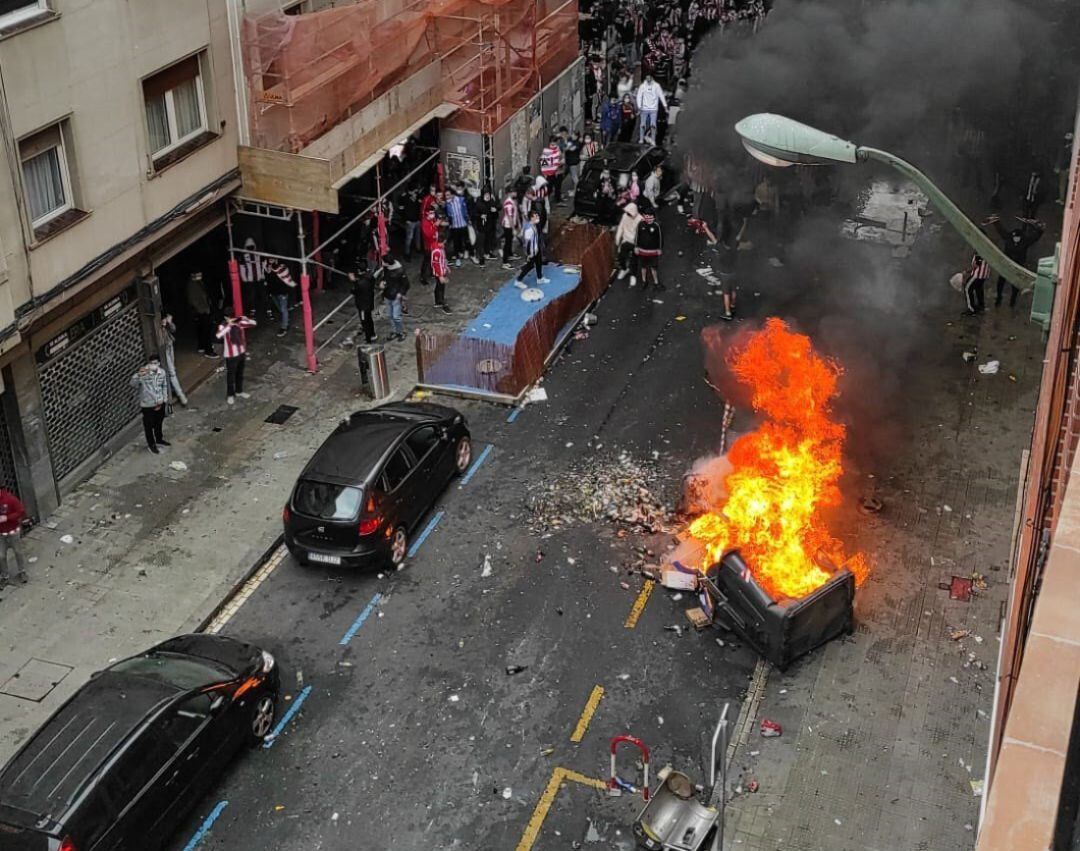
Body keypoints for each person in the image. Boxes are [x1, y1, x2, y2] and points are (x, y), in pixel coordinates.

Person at [987, 215, 1045, 307]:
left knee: (1015, 285)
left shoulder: (1025, 240)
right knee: (1001, 282)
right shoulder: (1009, 237)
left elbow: (1035, 237)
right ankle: (999, 298)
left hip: (1018, 265)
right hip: (1006, 264)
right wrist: (996, 222)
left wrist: (1040, 229)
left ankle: (1013, 300)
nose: (1016, 239)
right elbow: (1001, 231)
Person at [130, 354, 170, 454]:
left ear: (159, 363)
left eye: (155, 363)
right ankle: (151, 444)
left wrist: (164, 400)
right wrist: (138, 375)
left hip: (160, 403)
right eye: (151, 363)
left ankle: (159, 439)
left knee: (158, 423)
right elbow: (133, 384)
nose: (153, 365)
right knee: (148, 425)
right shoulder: (144, 373)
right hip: (147, 405)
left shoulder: (162, 373)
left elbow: (164, 386)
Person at [216, 314, 257, 404]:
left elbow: (254, 323)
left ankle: (239, 391)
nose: (232, 319)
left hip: (241, 352)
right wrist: (229, 325)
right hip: (231, 355)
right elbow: (219, 335)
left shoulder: (239, 323)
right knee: (231, 376)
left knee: (240, 373)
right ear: (226, 318)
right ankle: (230, 394)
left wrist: (247, 319)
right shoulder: (223, 325)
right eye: (230, 318)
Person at [0, 488, 28, 587]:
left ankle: (22, 571)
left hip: (13, 532)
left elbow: (21, 511)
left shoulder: (10, 499)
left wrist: (7, 518)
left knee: (18, 552)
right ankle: (5, 576)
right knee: (1, 555)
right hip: (1, 534)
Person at [186, 271, 216, 357]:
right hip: (201, 311)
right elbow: (194, 300)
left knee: (201, 329)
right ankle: (208, 350)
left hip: (202, 311)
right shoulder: (192, 286)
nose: (200, 276)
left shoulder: (197, 283)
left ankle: (202, 346)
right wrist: (203, 309)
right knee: (206, 330)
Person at [159, 315, 188, 406]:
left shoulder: (165, 320)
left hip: (169, 345)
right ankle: (180, 394)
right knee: (171, 372)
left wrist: (169, 322)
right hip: (162, 349)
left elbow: (173, 329)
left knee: (172, 368)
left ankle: (172, 389)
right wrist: (161, 326)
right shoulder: (155, 324)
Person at [516, 210, 548, 287]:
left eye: (538, 216)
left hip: (536, 249)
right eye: (536, 216)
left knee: (539, 262)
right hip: (532, 251)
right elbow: (527, 244)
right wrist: (529, 254)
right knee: (529, 266)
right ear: (531, 218)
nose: (538, 217)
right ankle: (518, 280)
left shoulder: (534, 225)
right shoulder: (529, 229)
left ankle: (539, 278)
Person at [634, 204, 663, 290]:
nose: (649, 219)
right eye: (647, 217)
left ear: (654, 217)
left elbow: (660, 238)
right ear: (643, 216)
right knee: (643, 267)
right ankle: (644, 281)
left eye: (651, 217)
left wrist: (659, 248)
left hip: (653, 251)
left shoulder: (656, 226)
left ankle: (656, 282)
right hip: (642, 250)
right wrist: (636, 247)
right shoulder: (640, 224)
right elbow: (637, 236)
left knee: (654, 267)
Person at [266, 259, 297, 337]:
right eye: (269, 259)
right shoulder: (268, 267)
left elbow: (286, 278)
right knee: (281, 309)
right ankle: (286, 318)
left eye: (272, 258)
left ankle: (284, 327)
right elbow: (268, 279)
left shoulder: (282, 266)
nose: (270, 260)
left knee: (283, 309)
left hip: (282, 293)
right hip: (273, 292)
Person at [615, 202, 641, 285]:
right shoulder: (625, 216)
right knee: (621, 257)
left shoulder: (640, 220)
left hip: (635, 243)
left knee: (634, 260)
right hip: (626, 240)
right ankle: (624, 269)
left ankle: (633, 275)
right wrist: (618, 237)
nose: (628, 214)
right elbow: (621, 227)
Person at [350, 264, 377, 343]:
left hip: (362, 305)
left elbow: (353, 291)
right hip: (369, 302)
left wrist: (354, 281)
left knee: (365, 322)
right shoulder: (371, 277)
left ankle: (368, 340)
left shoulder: (360, 283)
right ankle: (372, 334)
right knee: (369, 319)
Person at [445, 184, 472, 266]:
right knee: (456, 243)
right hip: (455, 226)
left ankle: (472, 255)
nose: (446, 197)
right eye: (446, 195)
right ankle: (457, 258)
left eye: (448, 195)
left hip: (463, 224)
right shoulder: (447, 204)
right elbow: (449, 215)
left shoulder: (461, 200)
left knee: (467, 241)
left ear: (452, 194)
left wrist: (468, 220)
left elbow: (465, 211)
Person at [636, 75, 667, 144]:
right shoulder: (642, 86)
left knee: (653, 125)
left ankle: (653, 139)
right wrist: (639, 106)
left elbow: (661, 95)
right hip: (644, 109)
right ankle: (641, 139)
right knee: (642, 125)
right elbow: (639, 96)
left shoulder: (657, 86)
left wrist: (665, 106)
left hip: (653, 109)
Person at [382, 262, 408, 341]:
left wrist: (401, 293)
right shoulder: (386, 269)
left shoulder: (399, 270)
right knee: (390, 315)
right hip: (387, 295)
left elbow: (406, 284)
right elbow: (384, 279)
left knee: (396, 316)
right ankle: (394, 331)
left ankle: (400, 332)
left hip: (396, 296)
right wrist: (382, 283)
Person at [474, 186, 499, 265]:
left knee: (488, 240)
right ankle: (481, 257)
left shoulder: (491, 201)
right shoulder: (478, 202)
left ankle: (487, 253)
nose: (487, 196)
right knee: (481, 241)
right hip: (481, 225)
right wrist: (480, 216)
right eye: (486, 194)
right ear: (483, 194)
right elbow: (473, 214)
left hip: (490, 225)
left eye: (488, 194)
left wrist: (495, 210)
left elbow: (497, 209)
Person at [539, 135, 564, 204]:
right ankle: (545, 200)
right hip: (550, 173)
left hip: (558, 172)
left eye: (555, 142)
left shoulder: (559, 150)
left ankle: (558, 200)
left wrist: (561, 162)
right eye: (552, 142)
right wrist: (545, 173)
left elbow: (562, 159)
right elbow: (544, 163)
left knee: (558, 187)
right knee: (549, 187)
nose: (553, 144)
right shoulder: (547, 152)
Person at [430, 240, 452, 314]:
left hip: (442, 271)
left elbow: (443, 259)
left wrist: (446, 267)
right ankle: (443, 304)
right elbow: (436, 264)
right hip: (439, 273)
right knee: (440, 288)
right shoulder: (437, 251)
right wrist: (440, 276)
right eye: (443, 243)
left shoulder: (441, 249)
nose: (444, 245)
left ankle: (438, 301)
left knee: (439, 287)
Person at [501, 187, 520, 269]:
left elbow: (516, 213)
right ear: (509, 193)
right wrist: (513, 229)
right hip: (508, 225)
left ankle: (510, 254)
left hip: (511, 224)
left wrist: (518, 223)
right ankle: (505, 262)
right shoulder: (508, 203)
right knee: (507, 243)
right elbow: (509, 217)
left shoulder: (512, 201)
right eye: (514, 192)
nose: (515, 193)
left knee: (510, 241)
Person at [419, 207, 439, 285]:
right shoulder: (425, 222)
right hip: (428, 246)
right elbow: (428, 234)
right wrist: (434, 226)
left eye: (433, 213)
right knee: (426, 261)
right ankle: (423, 277)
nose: (433, 214)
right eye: (431, 213)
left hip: (434, 244)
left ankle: (432, 273)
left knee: (432, 260)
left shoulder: (432, 220)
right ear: (427, 213)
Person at [564, 130, 582, 196]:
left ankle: (575, 192)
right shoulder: (571, 140)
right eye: (572, 134)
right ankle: (573, 190)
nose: (572, 136)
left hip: (573, 162)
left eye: (574, 135)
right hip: (570, 162)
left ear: (577, 136)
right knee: (572, 176)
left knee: (575, 178)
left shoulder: (577, 143)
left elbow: (571, 149)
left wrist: (566, 146)